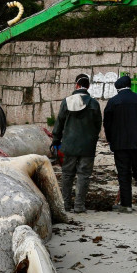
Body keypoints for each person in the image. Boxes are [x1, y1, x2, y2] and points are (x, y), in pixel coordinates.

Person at [102, 75, 137, 213]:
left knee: (124, 174)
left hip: (120, 144)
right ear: (130, 85)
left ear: (118, 88)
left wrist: (111, 139)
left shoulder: (113, 102)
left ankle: (126, 205)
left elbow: (107, 124)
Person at [51, 73, 102, 213]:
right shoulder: (94, 103)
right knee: (84, 175)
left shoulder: (66, 102)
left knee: (67, 174)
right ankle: (79, 205)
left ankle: (66, 204)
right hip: (87, 147)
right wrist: (92, 139)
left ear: (76, 85)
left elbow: (59, 123)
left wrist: (56, 140)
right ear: (88, 86)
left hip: (69, 145)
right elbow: (98, 125)